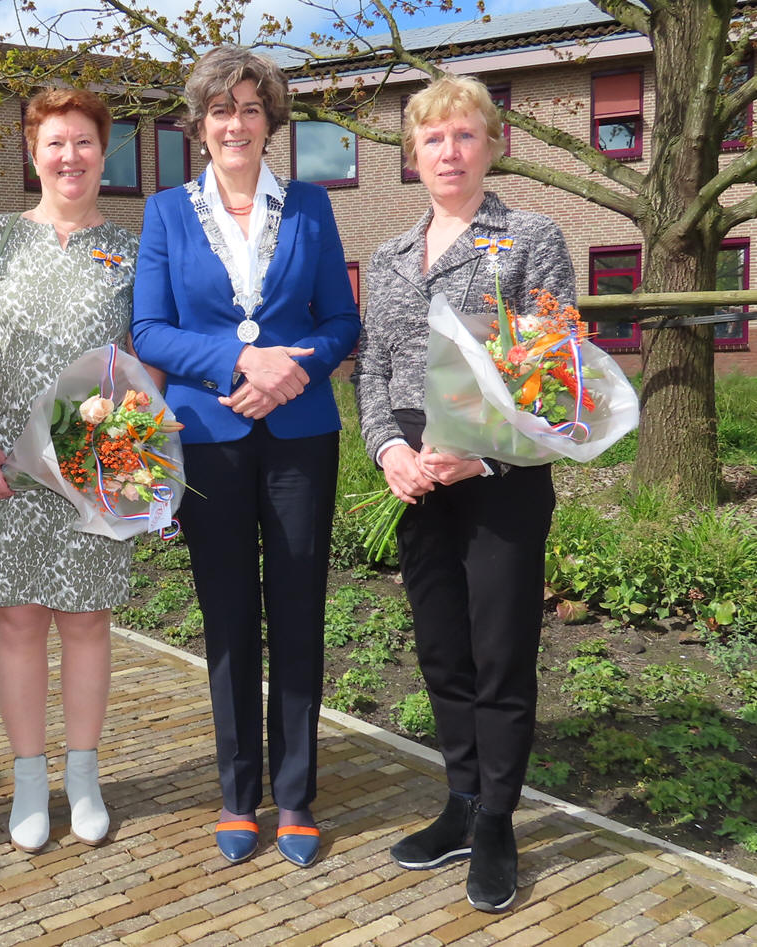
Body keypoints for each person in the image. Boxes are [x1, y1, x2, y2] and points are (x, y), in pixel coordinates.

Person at [131, 45, 359, 869]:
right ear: (200, 126)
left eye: (251, 108)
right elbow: (149, 329)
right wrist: (239, 361)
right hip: (208, 438)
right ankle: (237, 792)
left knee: (298, 608)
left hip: (300, 433)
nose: (236, 123)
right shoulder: (164, 213)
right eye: (221, 110)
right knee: (228, 616)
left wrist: (289, 367)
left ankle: (294, 793)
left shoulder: (311, 208)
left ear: (272, 123)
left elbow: (341, 322)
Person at [353, 74, 577, 912]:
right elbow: (371, 367)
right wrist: (386, 450)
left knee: (499, 652)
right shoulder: (387, 254)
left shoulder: (531, 235)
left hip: (498, 475)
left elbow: (557, 376)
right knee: (442, 646)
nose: (448, 152)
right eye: (432, 139)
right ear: (412, 155)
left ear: (492, 145)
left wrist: (481, 455)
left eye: (464, 136)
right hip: (414, 474)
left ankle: (498, 823)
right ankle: (460, 798)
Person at [0, 88, 144, 854]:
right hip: (5, 466)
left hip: (95, 464)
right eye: (55, 143)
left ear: (105, 152)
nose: (70, 157)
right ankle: (31, 779)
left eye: (85, 143)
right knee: (19, 619)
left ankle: (84, 776)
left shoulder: (130, 248)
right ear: (34, 152)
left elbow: (143, 360)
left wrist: (135, 459)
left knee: (88, 620)